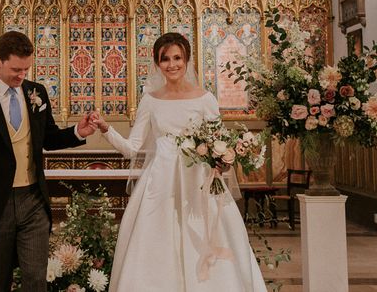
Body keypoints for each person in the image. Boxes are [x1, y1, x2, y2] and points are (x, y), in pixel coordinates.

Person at [91, 32, 267, 291]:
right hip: (160, 186)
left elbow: (219, 144)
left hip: (199, 182)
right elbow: (132, 149)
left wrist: (224, 160)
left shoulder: (205, 98)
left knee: (206, 236)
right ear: (157, 63)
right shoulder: (150, 100)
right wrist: (106, 129)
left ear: (187, 60)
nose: (172, 64)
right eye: (165, 59)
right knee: (159, 244)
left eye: (177, 58)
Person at [0, 31, 97, 292]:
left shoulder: (36, 93)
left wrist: (76, 132)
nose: (21, 75)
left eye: (26, 69)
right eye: (16, 69)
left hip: (33, 200)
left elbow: (48, 138)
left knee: (37, 279)